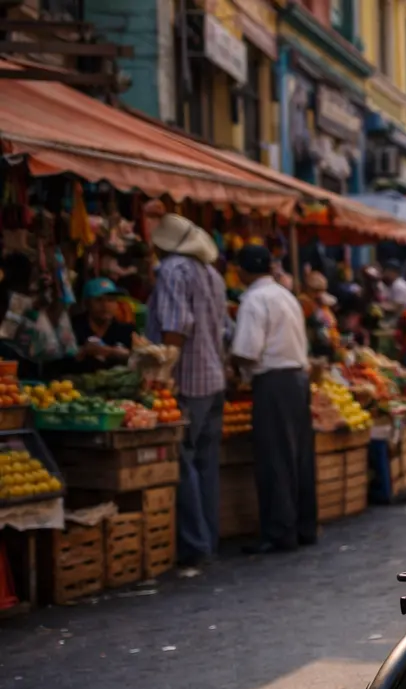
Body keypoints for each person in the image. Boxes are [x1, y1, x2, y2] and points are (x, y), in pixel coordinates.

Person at [145, 212, 228, 574]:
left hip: (187, 380)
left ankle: (194, 545)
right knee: (206, 464)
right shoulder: (212, 273)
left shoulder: (173, 270)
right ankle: (208, 538)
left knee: (184, 461)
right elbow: (223, 328)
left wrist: (163, 372)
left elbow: (176, 326)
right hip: (214, 379)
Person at [228, 245, 317, 554]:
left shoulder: (254, 300)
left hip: (273, 382)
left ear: (243, 269)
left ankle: (280, 532)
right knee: (299, 456)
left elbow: (247, 350)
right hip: (297, 379)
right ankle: (304, 526)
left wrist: (232, 363)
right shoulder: (286, 295)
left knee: (275, 457)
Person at [66, 277, 134, 373]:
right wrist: (84, 351)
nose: (105, 305)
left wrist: (111, 352)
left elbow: (138, 358)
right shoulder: (72, 327)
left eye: (111, 300)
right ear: (87, 303)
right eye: (98, 300)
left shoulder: (126, 329)